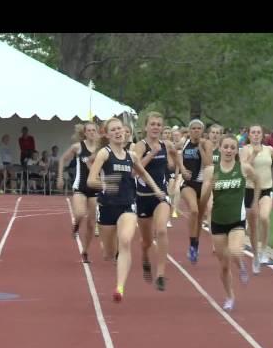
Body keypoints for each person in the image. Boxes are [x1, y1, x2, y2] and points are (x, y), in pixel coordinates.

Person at [87, 117, 165, 303]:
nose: (118, 132)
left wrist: (156, 189)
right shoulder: (104, 154)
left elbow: (143, 173)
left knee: (125, 240)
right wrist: (106, 184)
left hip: (128, 205)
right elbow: (91, 180)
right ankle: (110, 250)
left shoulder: (132, 156)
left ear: (125, 131)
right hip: (107, 207)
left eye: (120, 128)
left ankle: (119, 287)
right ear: (107, 134)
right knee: (108, 253)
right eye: (113, 129)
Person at [200, 134, 261, 312]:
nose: (228, 150)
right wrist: (210, 187)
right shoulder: (212, 171)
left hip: (237, 220)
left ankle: (241, 266)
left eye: (232, 147)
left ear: (236, 150)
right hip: (218, 222)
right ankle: (229, 295)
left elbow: (257, 182)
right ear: (220, 149)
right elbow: (203, 198)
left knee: (235, 251)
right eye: (225, 147)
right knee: (224, 265)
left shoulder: (243, 168)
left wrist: (255, 202)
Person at [134, 112, 179, 291]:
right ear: (146, 127)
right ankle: (145, 256)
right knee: (146, 241)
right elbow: (135, 172)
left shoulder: (166, 145)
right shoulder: (139, 146)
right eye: (152, 124)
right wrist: (152, 153)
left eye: (158, 125)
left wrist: (180, 168)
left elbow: (176, 154)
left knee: (161, 230)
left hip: (161, 197)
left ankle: (160, 274)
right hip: (143, 198)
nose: (155, 127)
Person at [240, 125, 273, 273]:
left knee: (264, 217)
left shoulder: (269, 149)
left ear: (262, 135)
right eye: (253, 133)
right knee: (252, 225)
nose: (256, 135)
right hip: (250, 190)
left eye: (258, 132)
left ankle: (263, 250)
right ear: (249, 135)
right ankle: (255, 256)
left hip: (266, 189)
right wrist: (254, 155)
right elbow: (244, 167)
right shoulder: (245, 150)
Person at [57, 122, 100, 263]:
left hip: (94, 188)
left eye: (94, 130)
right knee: (80, 213)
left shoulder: (101, 149)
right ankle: (76, 226)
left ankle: (85, 251)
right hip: (80, 186)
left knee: (92, 224)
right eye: (89, 130)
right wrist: (60, 177)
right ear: (85, 133)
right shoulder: (78, 147)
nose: (92, 133)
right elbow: (63, 159)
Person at [176, 119, 213, 264]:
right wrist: (182, 169)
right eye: (194, 128)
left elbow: (208, 163)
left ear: (202, 131)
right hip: (188, 184)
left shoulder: (206, 143)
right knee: (194, 211)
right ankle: (192, 244)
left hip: (203, 185)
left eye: (199, 128)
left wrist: (201, 149)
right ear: (189, 130)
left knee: (199, 219)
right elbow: (175, 154)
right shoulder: (183, 143)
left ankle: (194, 245)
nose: (196, 131)